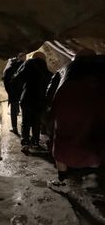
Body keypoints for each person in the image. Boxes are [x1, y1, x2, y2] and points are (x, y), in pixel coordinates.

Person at [50, 49, 105, 181]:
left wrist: (50, 113)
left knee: (63, 140)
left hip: (68, 103)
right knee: (95, 137)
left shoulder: (67, 68)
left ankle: (63, 178)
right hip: (97, 100)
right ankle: (92, 174)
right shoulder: (102, 66)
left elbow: (51, 90)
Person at [12, 51, 52, 152]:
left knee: (25, 121)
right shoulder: (45, 68)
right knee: (36, 121)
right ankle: (35, 142)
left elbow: (17, 78)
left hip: (27, 97)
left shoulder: (28, 64)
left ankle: (25, 143)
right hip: (40, 99)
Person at [2, 53, 26, 134]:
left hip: (14, 92)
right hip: (23, 91)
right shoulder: (26, 66)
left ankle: (14, 127)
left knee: (13, 109)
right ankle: (26, 130)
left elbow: (6, 80)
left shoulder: (10, 67)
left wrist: (9, 92)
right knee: (25, 111)